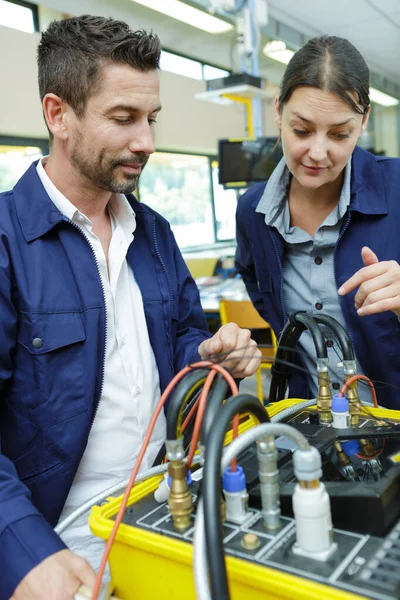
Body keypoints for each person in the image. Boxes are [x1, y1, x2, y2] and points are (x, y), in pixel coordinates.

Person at [0, 15, 262, 600]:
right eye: (123, 119)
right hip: (60, 553)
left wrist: (212, 353)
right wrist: (21, 549)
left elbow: (182, 341)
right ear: (57, 114)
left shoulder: (154, 232)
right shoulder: (6, 243)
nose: (146, 140)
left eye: (151, 119)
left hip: (165, 514)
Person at [236, 35, 400, 410]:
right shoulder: (253, 211)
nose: (318, 152)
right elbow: (254, 277)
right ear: (278, 112)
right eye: (302, 130)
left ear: (363, 122)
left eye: (340, 134)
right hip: (311, 428)